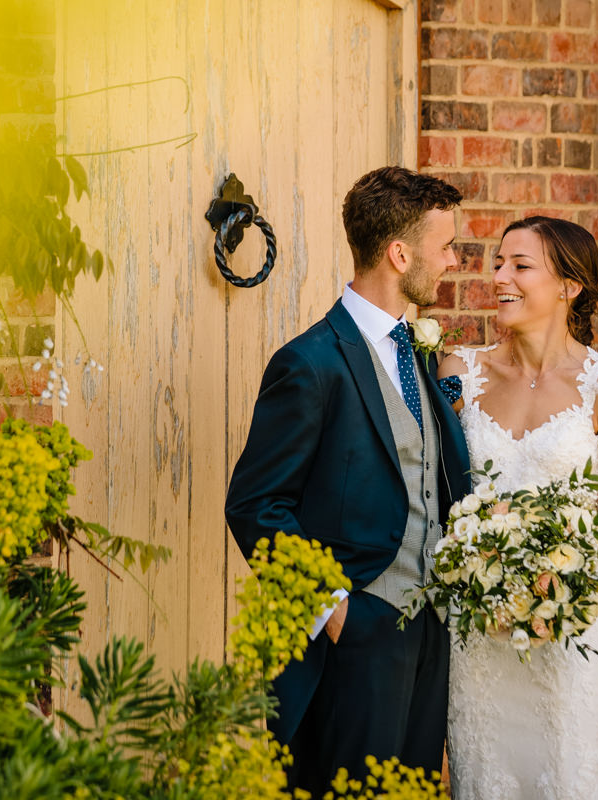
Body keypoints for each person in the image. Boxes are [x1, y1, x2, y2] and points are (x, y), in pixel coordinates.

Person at [225, 166, 473, 796]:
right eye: (445, 247)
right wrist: (333, 610)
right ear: (399, 253)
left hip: (430, 631)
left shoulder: (418, 351)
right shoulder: (309, 364)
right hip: (356, 634)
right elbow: (255, 503)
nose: (453, 261)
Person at [438, 215, 598, 799]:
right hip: (479, 635)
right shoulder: (457, 374)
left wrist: (559, 580)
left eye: (520, 266)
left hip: (566, 632)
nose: (500, 277)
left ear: (569, 286)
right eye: (498, 263)